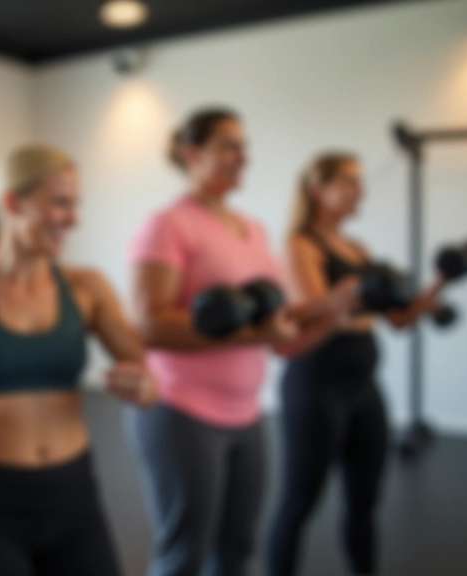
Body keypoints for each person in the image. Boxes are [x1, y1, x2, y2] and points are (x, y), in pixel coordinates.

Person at [0, 144, 158, 576]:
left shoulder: (87, 288)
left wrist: (143, 387)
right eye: (59, 203)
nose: (73, 219)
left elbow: (148, 376)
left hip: (74, 498)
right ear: (12, 203)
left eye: (75, 205)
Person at [127, 108, 357, 576]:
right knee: (183, 556)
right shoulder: (169, 224)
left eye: (244, 147)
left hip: (246, 414)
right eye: (228, 146)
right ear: (192, 153)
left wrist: (330, 314)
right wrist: (256, 333)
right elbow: (149, 325)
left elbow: (280, 337)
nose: (242, 157)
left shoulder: (253, 229)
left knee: (236, 551)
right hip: (181, 411)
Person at [266, 152, 446, 576]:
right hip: (316, 387)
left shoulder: (358, 248)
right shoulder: (301, 245)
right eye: (348, 182)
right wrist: (347, 305)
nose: (360, 191)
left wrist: (443, 280)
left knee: (365, 502)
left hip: (364, 388)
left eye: (359, 182)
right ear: (318, 189)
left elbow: (398, 319)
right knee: (299, 503)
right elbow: (316, 315)